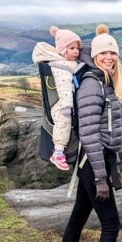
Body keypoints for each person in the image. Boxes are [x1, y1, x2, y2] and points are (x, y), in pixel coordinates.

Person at [56, 24, 122, 242]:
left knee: (78, 216)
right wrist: (101, 177)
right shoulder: (92, 83)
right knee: (111, 225)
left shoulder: (102, 80)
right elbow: (89, 133)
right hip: (94, 162)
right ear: (95, 53)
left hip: (93, 162)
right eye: (103, 52)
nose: (109, 57)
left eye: (113, 52)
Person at [31, 26, 83, 170]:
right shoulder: (62, 67)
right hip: (61, 105)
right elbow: (64, 87)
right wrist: (67, 106)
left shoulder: (65, 64)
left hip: (62, 102)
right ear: (62, 50)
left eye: (77, 48)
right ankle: (58, 152)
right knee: (63, 123)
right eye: (72, 48)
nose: (76, 51)